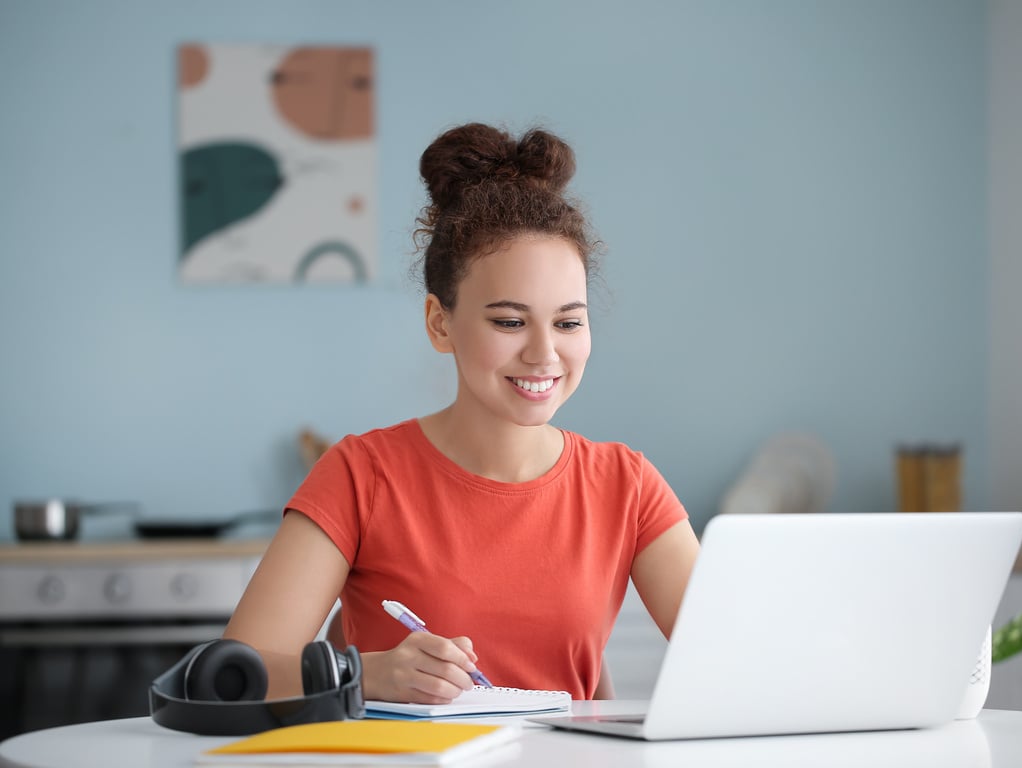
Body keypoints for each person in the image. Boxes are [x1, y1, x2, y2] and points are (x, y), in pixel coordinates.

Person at [223, 122, 700, 704]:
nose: (544, 353)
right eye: (509, 321)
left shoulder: (628, 486)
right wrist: (364, 676)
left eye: (569, 322)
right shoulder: (361, 475)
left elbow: (740, 662)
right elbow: (234, 675)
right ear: (439, 322)